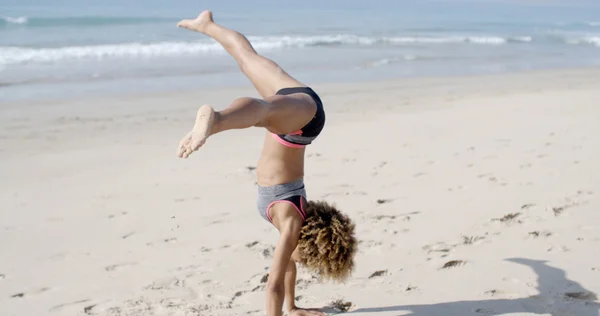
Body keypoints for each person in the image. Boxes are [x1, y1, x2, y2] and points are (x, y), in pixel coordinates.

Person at [175, 10, 358, 316]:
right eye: (310, 259)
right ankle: (216, 119)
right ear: (311, 243)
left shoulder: (290, 221)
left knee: (247, 58)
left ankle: (207, 25)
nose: (299, 261)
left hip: (296, 108)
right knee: (262, 112)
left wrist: (293, 306)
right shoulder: (291, 222)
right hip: (303, 122)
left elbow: (287, 270)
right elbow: (273, 282)